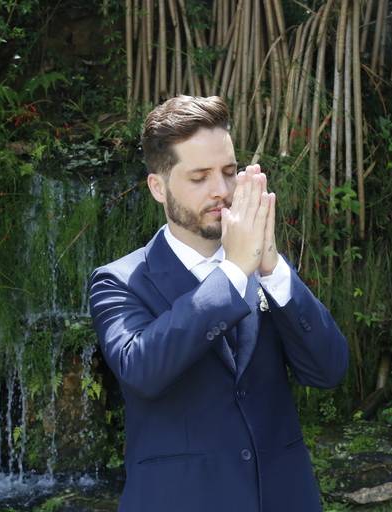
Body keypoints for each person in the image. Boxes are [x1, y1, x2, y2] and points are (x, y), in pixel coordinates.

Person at [88, 95, 348, 512]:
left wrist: (272, 270)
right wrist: (233, 273)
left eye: (229, 172)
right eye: (199, 177)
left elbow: (329, 370)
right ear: (158, 187)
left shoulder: (266, 269)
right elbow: (142, 371)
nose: (222, 191)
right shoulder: (119, 282)